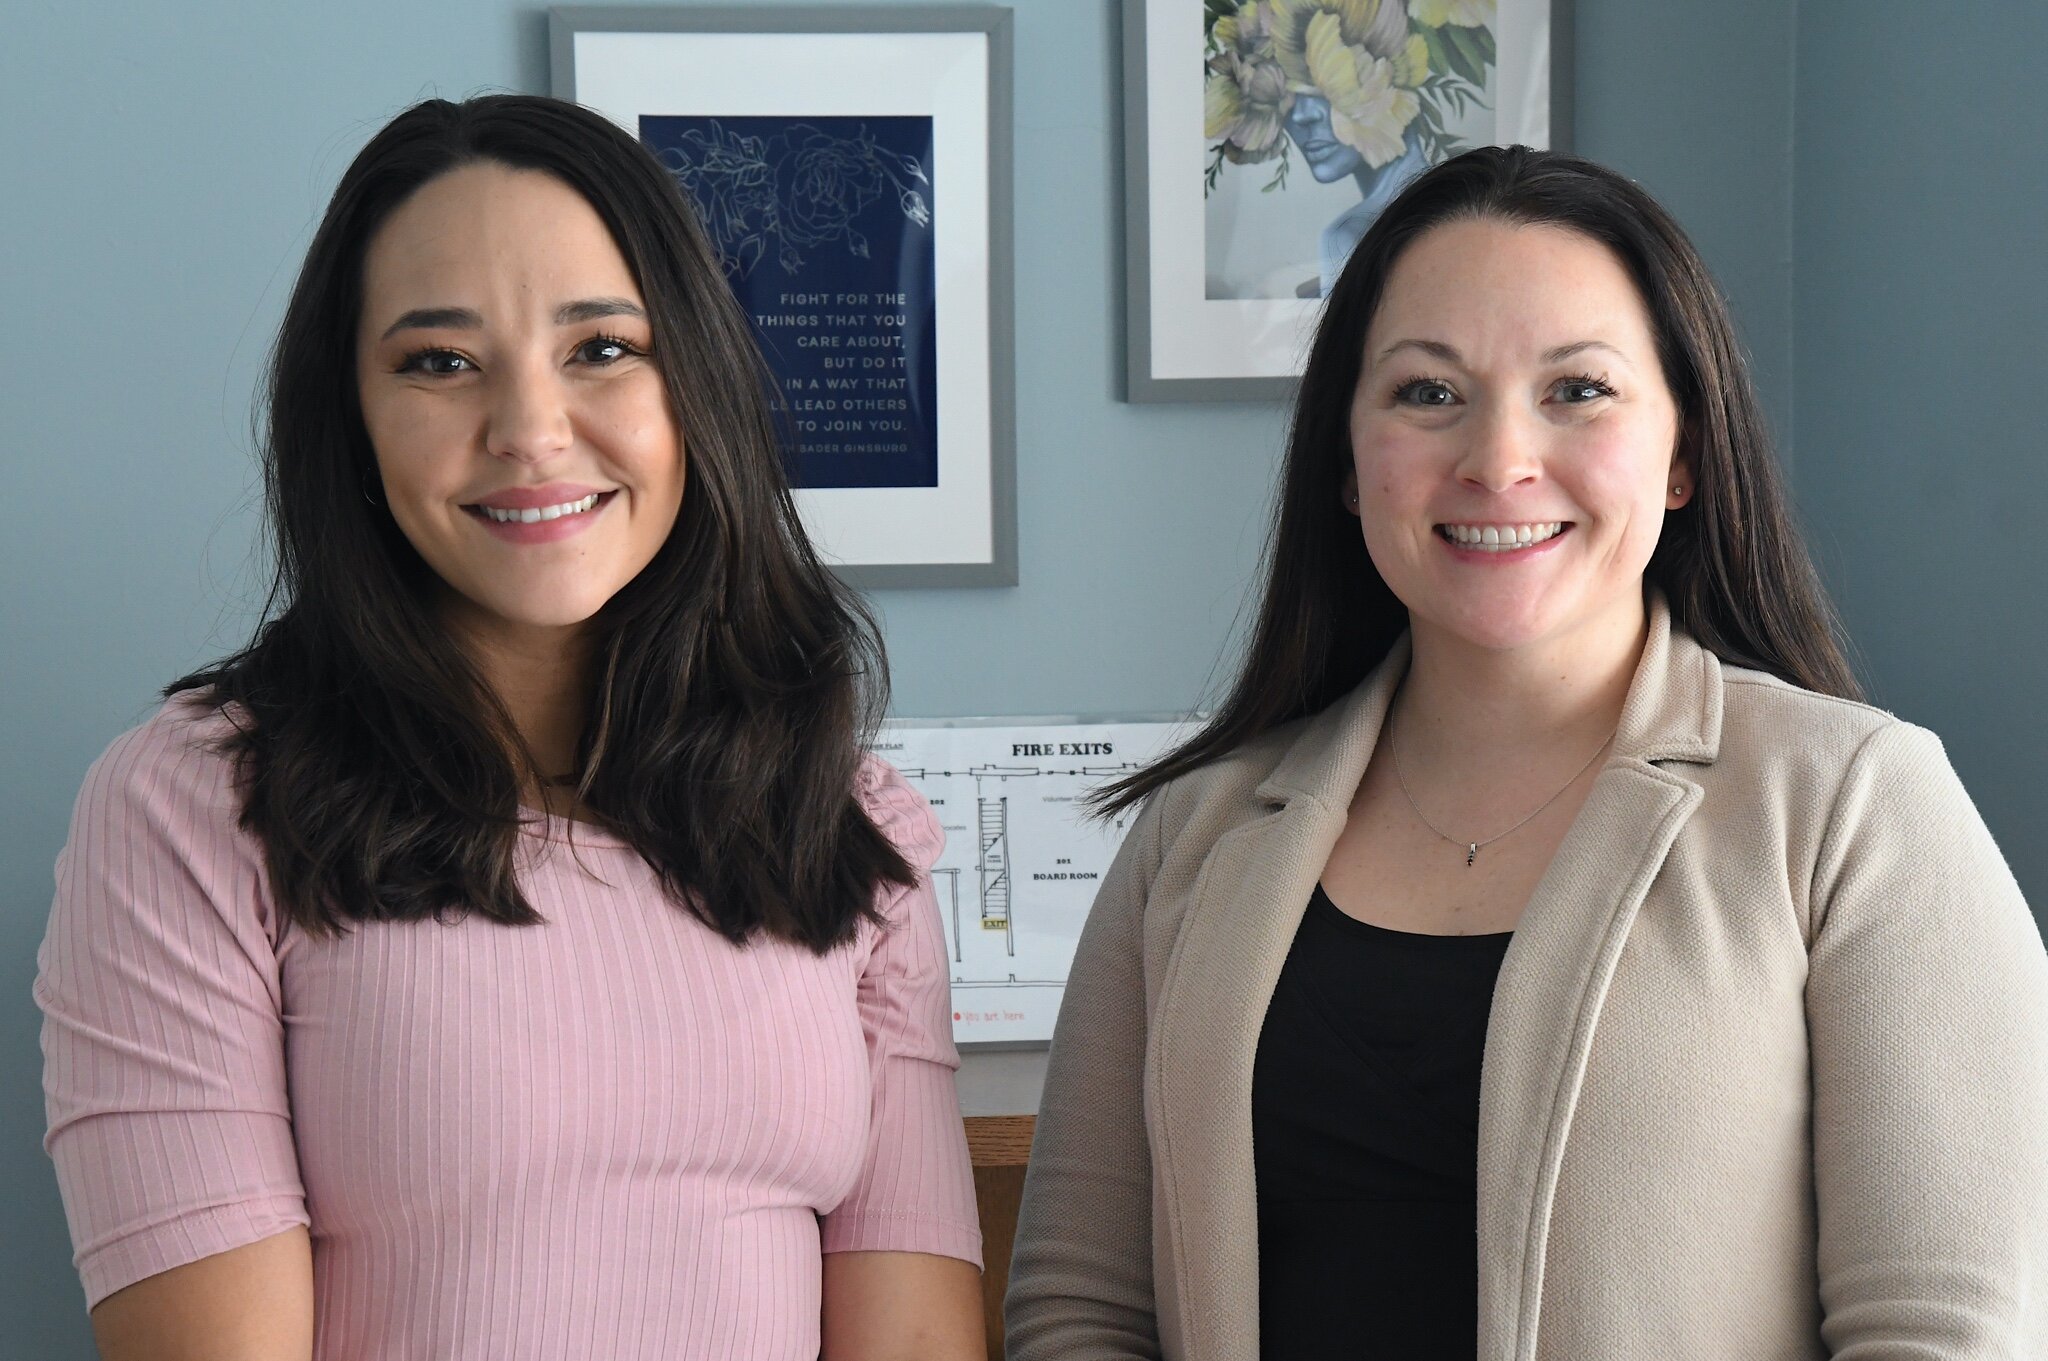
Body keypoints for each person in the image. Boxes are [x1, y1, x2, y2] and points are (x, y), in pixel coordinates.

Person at [1005, 145, 2048, 1358]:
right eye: (1425, 392)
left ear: (1682, 454)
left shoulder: (1853, 804)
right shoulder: (1193, 832)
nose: (1496, 458)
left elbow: (1945, 1327)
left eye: (1577, 390)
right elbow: (1082, 1312)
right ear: (1345, 463)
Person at [36, 95, 984, 1361]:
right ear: (354, 420)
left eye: (601, 347)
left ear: (693, 382)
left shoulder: (847, 821)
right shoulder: (195, 807)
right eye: (438, 360)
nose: (530, 431)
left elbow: (915, 1336)